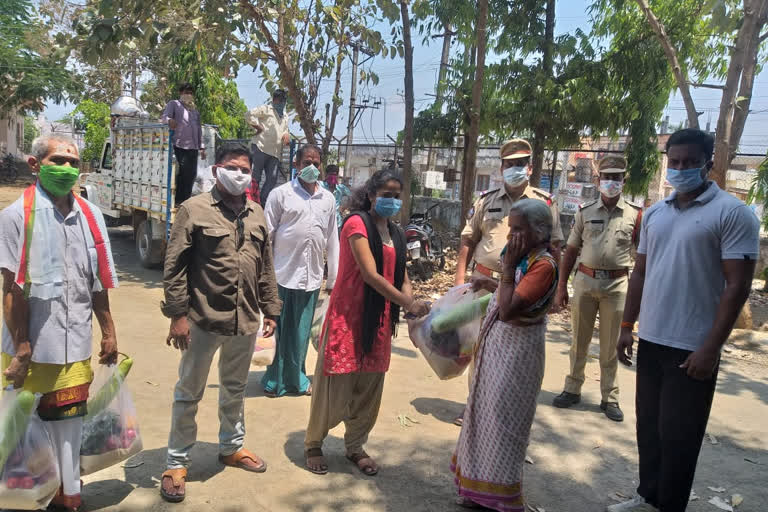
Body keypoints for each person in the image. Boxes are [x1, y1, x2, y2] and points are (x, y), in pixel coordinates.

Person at [610, 129, 759, 512]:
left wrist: (711, 347)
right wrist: (627, 328)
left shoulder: (731, 213)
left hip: (693, 345)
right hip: (653, 338)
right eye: (674, 162)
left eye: (690, 163)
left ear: (708, 164)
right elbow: (640, 273)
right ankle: (648, 497)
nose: (680, 169)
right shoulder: (657, 212)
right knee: (650, 428)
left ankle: (669, 505)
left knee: (680, 435)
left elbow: (738, 284)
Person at [0, 134, 119, 511]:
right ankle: (31, 495)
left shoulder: (91, 216)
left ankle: (69, 495)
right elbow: (11, 291)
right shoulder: (17, 216)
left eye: (73, 162)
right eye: (59, 160)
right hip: (34, 347)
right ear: (35, 165)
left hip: (76, 344)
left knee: (69, 426)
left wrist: (109, 330)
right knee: (27, 429)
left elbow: (96, 279)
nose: (68, 168)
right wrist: (21, 348)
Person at [159, 141, 282, 503]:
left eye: (246, 169)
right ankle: (176, 462)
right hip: (201, 318)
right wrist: (177, 315)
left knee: (235, 389)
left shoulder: (257, 213)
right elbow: (174, 265)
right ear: (216, 170)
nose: (240, 174)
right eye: (233, 167)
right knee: (189, 391)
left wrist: (271, 310)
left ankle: (231, 446)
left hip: (244, 319)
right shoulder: (193, 210)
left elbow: (266, 268)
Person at [304, 169, 430, 476]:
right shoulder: (356, 223)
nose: (391, 201)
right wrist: (407, 303)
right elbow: (370, 274)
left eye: (396, 196)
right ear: (371, 195)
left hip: (379, 321)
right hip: (349, 317)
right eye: (385, 195)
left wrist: (411, 305)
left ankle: (355, 445)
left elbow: (401, 275)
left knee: (370, 386)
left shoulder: (397, 233)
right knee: (335, 385)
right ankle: (314, 443)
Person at [452, 198, 558, 511]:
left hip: (517, 354)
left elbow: (511, 309)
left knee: (504, 420)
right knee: (483, 413)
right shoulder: (527, 258)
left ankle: (502, 499)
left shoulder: (545, 265)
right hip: (498, 347)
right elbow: (509, 292)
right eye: (510, 229)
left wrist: (508, 269)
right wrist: (493, 282)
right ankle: (478, 491)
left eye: (518, 229)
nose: (511, 236)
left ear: (538, 232)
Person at [452, 138, 564, 426]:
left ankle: (502, 408)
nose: (515, 168)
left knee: (512, 352)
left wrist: (556, 289)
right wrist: (459, 280)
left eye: (521, 164)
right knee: (479, 348)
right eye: (510, 164)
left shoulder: (544, 203)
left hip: (524, 287)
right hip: (484, 282)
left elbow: (554, 247)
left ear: (530, 167)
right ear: (501, 168)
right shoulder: (486, 201)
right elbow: (468, 241)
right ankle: (475, 404)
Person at [552, 155, 642, 422]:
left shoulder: (635, 216)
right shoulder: (585, 212)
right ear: (597, 180)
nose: (611, 182)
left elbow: (644, 257)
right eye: (606, 177)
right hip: (585, 282)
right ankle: (572, 388)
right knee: (578, 341)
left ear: (623, 181)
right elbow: (570, 252)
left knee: (611, 345)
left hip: (617, 285)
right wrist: (561, 288)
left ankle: (609, 397)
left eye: (616, 178)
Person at [262, 145, 339, 397]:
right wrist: (263, 276)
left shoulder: (327, 199)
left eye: (317, 163)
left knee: (300, 333)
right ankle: (274, 381)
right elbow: (266, 235)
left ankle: (297, 380)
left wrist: (332, 278)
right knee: (278, 330)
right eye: (307, 162)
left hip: (312, 278)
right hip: (282, 275)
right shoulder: (280, 194)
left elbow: (332, 239)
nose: (312, 167)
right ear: (296, 164)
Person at [162, 82, 206, 206]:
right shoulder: (174, 104)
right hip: (179, 144)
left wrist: (202, 147)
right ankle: (179, 200)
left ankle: (186, 200)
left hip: (193, 147)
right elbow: (164, 117)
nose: (188, 95)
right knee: (184, 171)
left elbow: (199, 130)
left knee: (192, 174)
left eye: (190, 93)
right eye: (186, 92)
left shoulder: (194, 111)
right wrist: (170, 120)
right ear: (181, 93)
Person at [246, 89, 291, 205]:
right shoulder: (266, 109)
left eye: (283, 100)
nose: (281, 103)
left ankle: (262, 202)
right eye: (279, 100)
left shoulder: (285, 116)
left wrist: (286, 135)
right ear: (274, 99)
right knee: (255, 177)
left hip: (275, 153)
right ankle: (251, 201)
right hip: (260, 147)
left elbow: (285, 130)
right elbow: (249, 114)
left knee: (272, 179)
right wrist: (256, 126)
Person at [320, 164, 351, 232]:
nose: (332, 177)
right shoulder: (320, 185)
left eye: (334, 175)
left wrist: (344, 207)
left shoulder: (341, 188)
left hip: (337, 224)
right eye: (330, 174)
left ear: (337, 176)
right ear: (326, 175)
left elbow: (352, 197)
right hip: (322, 223)